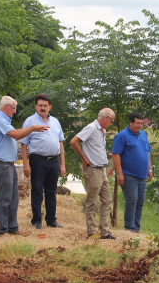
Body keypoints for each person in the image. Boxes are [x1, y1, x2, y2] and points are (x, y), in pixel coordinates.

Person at [0, 96, 48, 236]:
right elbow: (15, 134)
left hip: (8, 164)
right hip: (1, 165)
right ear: (6, 107)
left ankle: (13, 228)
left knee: (13, 198)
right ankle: (2, 230)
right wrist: (32, 127)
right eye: (14, 108)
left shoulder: (4, 120)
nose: (15, 111)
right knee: (4, 199)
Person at [21, 94, 66, 229]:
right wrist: (25, 164)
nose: (42, 108)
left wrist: (62, 164)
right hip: (37, 161)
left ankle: (51, 220)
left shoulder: (56, 122)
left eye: (45, 105)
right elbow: (23, 144)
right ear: (36, 106)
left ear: (49, 107)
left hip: (53, 161)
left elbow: (61, 143)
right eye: (40, 105)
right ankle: (36, 220)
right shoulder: (30, 122)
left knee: (51, 192)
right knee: (37, 191)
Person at [70, 108, 117, 239]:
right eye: (111, 121)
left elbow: (96, 147)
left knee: (107, 200)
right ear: (106, 118)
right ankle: (91, 232)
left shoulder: (102, 130)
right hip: (92, 170)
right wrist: (84, 159)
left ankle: (104, 231)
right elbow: (74, 141)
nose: (111, 124)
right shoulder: (91, 128)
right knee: (92, 202)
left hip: (101, 170)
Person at [111, 113, 152, 233]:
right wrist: (120, 174)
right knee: (132, 200)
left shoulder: (143, 134)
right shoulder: (122, 136)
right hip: (129, 174)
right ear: (130, 122)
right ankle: (129, 228)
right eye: (137, 123)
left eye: (141, 123)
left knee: (140, 201)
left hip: (142, 175)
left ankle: (136, 227)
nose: (140, 126)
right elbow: (116, 154)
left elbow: (147, 151)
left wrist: (149, 169)